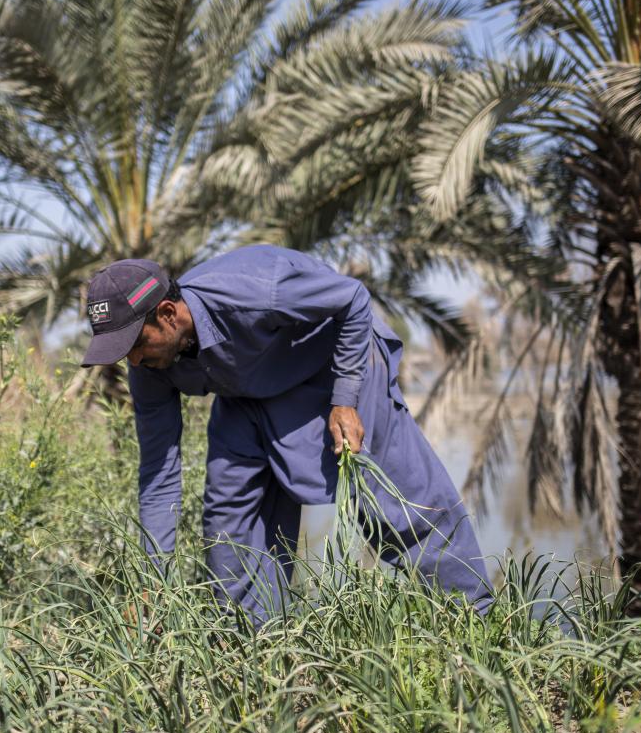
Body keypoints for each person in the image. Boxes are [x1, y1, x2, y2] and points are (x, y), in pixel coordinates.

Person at [81, 245, 492, 624]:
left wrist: (345, 399)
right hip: (244, 393)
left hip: (334, 366)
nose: (132, 359)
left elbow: (352, 299)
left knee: (396, 506)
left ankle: (478, 621)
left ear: (169, 314)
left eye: (135, 342)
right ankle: (254, 649)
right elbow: (159, 472)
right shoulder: (149, 366)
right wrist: (155, 577)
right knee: (228, 520)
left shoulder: (256, 291)